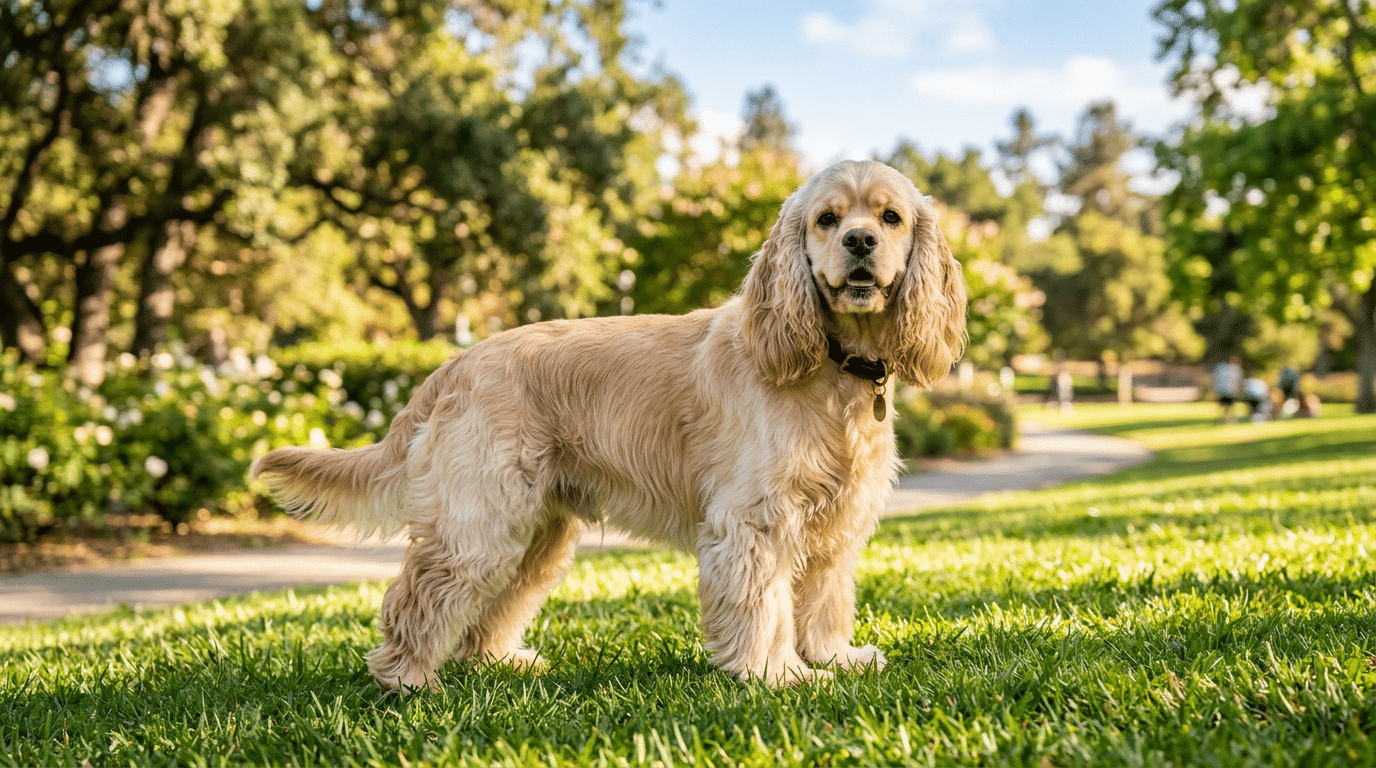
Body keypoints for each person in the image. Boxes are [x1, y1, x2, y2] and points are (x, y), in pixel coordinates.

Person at [1212, 356, 1243, 422]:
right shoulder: (1236, 369)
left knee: (1222, 406)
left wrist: (1215, 390)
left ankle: (1222, 418)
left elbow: (1216, 379)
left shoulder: (1221, 368)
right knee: (1230, 406)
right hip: (1231, 391)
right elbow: (1238, 382)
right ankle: (1230, 419)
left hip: (1221, 390)